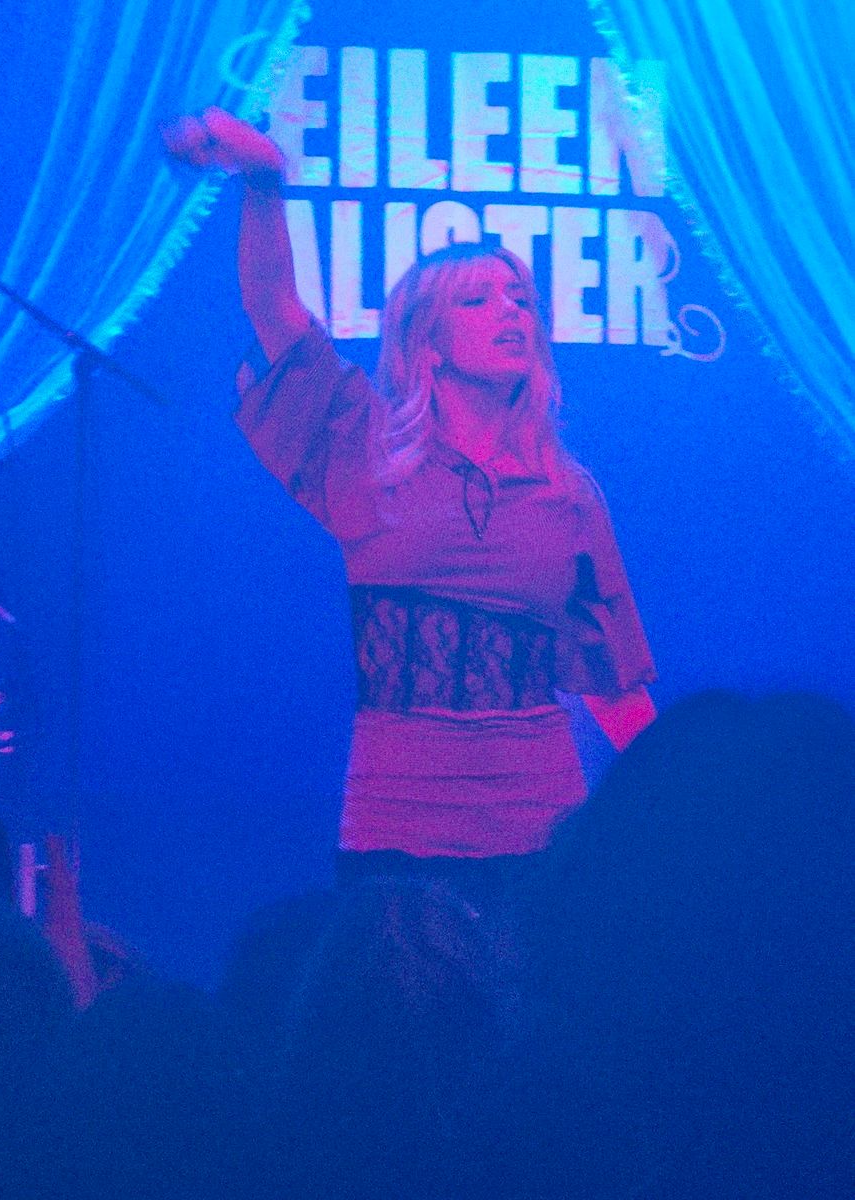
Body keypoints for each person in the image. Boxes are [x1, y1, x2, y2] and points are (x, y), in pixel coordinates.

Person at [163, 108, 656, 898]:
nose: (511, 312)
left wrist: (688, 810)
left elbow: (613, 683)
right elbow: (274, 308)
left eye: (519, 299)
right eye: (478, 301)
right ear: (426, 344)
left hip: (543, 837)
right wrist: (262, 179)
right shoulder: (363, 448)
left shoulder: (569, 492)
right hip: (397, 837)